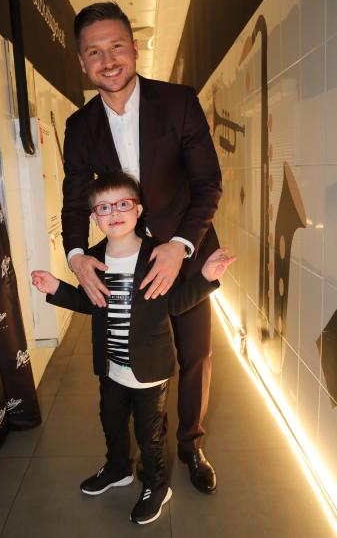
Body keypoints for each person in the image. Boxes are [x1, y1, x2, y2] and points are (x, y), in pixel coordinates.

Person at [62, 2, 223, 493]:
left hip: (186, 249)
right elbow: (74, 201)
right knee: (132, 357)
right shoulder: (79, 126)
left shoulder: (178, 102)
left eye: (116, 46)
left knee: (194, 353)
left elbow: (207, 183)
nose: (108, 60)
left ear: (134, 48)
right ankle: (140, 455)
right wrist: (76, 256)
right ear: (82, 62)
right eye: (94, 52)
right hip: (124, 258)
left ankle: (190, 445)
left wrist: (180, 245)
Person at [32, 172, 234, 525]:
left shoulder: (157, 254)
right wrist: (56, 289)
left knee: (149, 435)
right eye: (104, 208)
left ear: (138, 210)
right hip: (111, 365)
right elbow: (90, 302)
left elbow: (175, 303)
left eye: (123, 204)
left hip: (149, 370)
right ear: (94, 217)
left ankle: (157, 486)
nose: (114, 213)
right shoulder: (94, 259)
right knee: (111, 421)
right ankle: (117, 469)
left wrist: (206, 276)